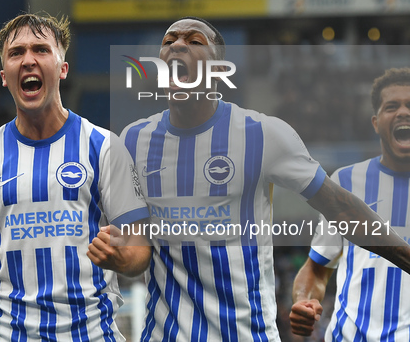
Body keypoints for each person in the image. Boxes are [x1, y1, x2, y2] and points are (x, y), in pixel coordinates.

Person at [120, 17, 410, 341]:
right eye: (169, 40)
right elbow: (131, 243)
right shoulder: (133, 141)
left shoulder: (262, 134)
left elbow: (341, 207)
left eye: (194, 41)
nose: (177, 45)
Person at [0, 12, 152, 341]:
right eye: (16, 53)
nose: (28, 60)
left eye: (41, 49)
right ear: (4, 75)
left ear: (63, 69)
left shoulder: (104, 147)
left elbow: (139, 249)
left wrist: (121, 257)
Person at [290, 68, 410, 341]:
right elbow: (317, 269)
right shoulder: (345, 180)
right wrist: (303, 299)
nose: (403, 112)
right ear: (376, 122)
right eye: (392, 106)